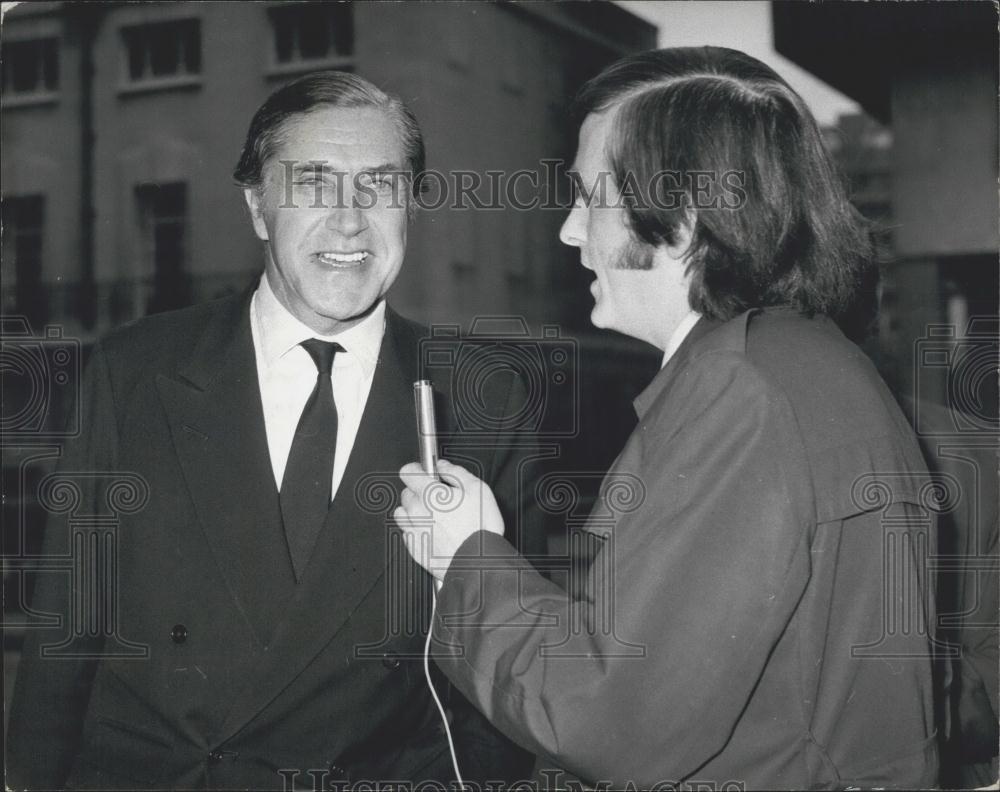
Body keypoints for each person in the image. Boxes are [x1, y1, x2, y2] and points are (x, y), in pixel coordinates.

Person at [396, 47, 939, 789]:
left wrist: (465, 556)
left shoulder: (741, 392)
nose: (568, 230)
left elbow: (608, 719)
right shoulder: (807, 364)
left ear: (682, 216)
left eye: (590, 198)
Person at [7, 72, 542, 789]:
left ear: (410, 206)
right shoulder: (136, 370)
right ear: (258, 207)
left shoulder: (482, 400)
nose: (350, 220)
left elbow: (504, 677)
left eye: (379, 186)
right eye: (315, 184)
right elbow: (68, 625)